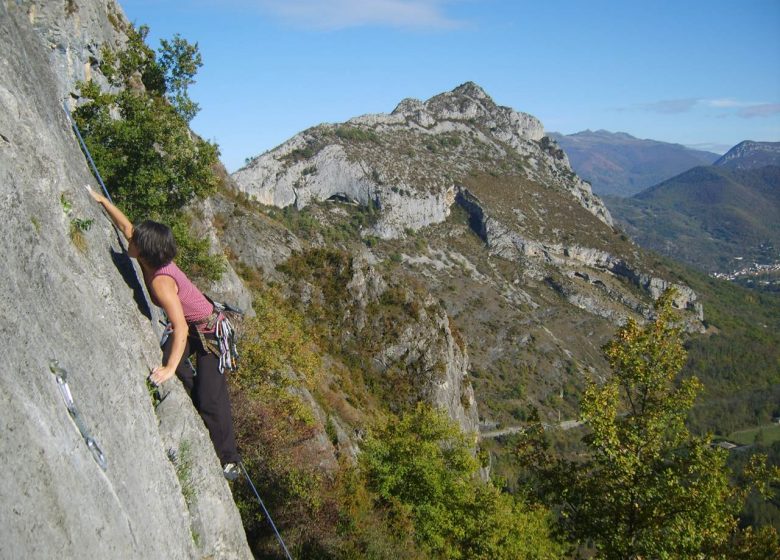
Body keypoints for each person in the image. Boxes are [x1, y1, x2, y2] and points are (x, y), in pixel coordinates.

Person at [88, 187, 241, 480]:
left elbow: (181, 326)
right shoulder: (149, 255)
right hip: (194, 326)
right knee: (187, 375)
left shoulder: (161, 281)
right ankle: (198, 396)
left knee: (210, 398)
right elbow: (127, 226)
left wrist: (169, 368)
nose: (128, 239)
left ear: (143, 252)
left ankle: (229, 459)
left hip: (210, 332)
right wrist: (104, 201)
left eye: (134, 241)